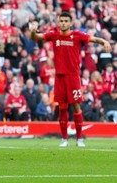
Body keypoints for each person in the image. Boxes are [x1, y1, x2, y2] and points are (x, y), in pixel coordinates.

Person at [30, 11, 111, 147]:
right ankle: (64, 139)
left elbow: (94, 39)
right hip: (60, 76)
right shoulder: (54, 34)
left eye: (66, 21)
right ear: (58, 22)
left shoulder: (77, 35)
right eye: (61, 21)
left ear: (71, 23)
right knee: (62, 107)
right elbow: (37, 37)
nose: (63, 23)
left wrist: (104, 41)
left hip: (73, 76)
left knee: (76, 106)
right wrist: (33, 31)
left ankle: (79, 139)